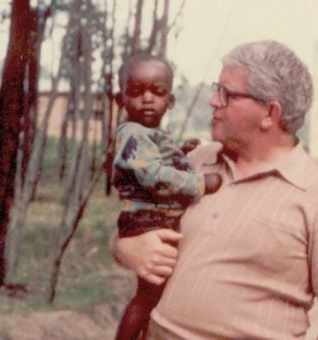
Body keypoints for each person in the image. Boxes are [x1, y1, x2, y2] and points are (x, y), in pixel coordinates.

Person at [111, 40, 318, 339]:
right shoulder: (192, 162)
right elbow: (133, 223)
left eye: (226, 94)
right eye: (217, 89)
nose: (213, 101)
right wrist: (123, 247)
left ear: (270, 113)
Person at [112, 54, 222, 340]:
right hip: (146, 219)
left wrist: (181, 152)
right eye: (136, 92)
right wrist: (199, 184)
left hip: (152, 216)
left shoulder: (149, 134)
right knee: (147, 297)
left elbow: (156, 160)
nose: (147, 99)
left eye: (157, 92)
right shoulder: (132, 134)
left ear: (170, 101)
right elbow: (152, 175)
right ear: (119, 99)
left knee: (154, 295)